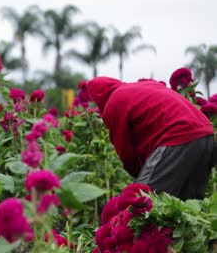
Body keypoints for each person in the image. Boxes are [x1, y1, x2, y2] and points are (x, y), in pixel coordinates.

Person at [86, 76, 214, 200]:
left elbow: (125, 149)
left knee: (141, 203)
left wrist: (141, 173)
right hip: (206, 134)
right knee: (189, 205)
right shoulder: (142, 86)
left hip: (176, 137)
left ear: (98, 97)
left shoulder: (114, 102)